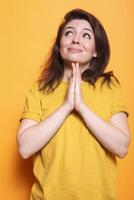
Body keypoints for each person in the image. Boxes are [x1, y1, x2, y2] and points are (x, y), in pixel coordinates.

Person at [16, 8, 131, 200]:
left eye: (86, 35)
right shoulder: (39, 90)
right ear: (59, 46)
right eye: (69, 33)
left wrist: (82, 108)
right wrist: (67, 106)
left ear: (96, 51)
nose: (75, 39)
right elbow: (25, 147)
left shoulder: (109, 87)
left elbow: (121, 147)